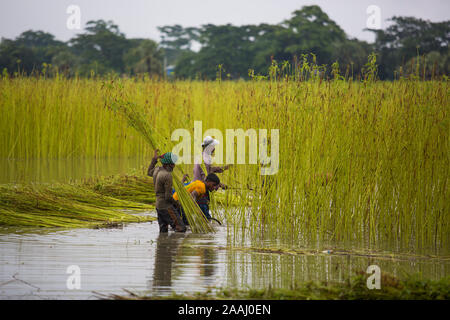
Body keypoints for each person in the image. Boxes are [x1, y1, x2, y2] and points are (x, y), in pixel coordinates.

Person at [147, 149, 186, 233]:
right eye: (172, 164)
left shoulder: (157, 170)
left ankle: (163, 245)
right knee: (181, 228)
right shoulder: (167, 175)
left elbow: (149, 172)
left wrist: (154, 160)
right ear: (168, 164)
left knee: (163, 230)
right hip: (166, 207)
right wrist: (177, 203)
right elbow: (168, 197)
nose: (174, 166)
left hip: (158, 206)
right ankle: (172, 245)